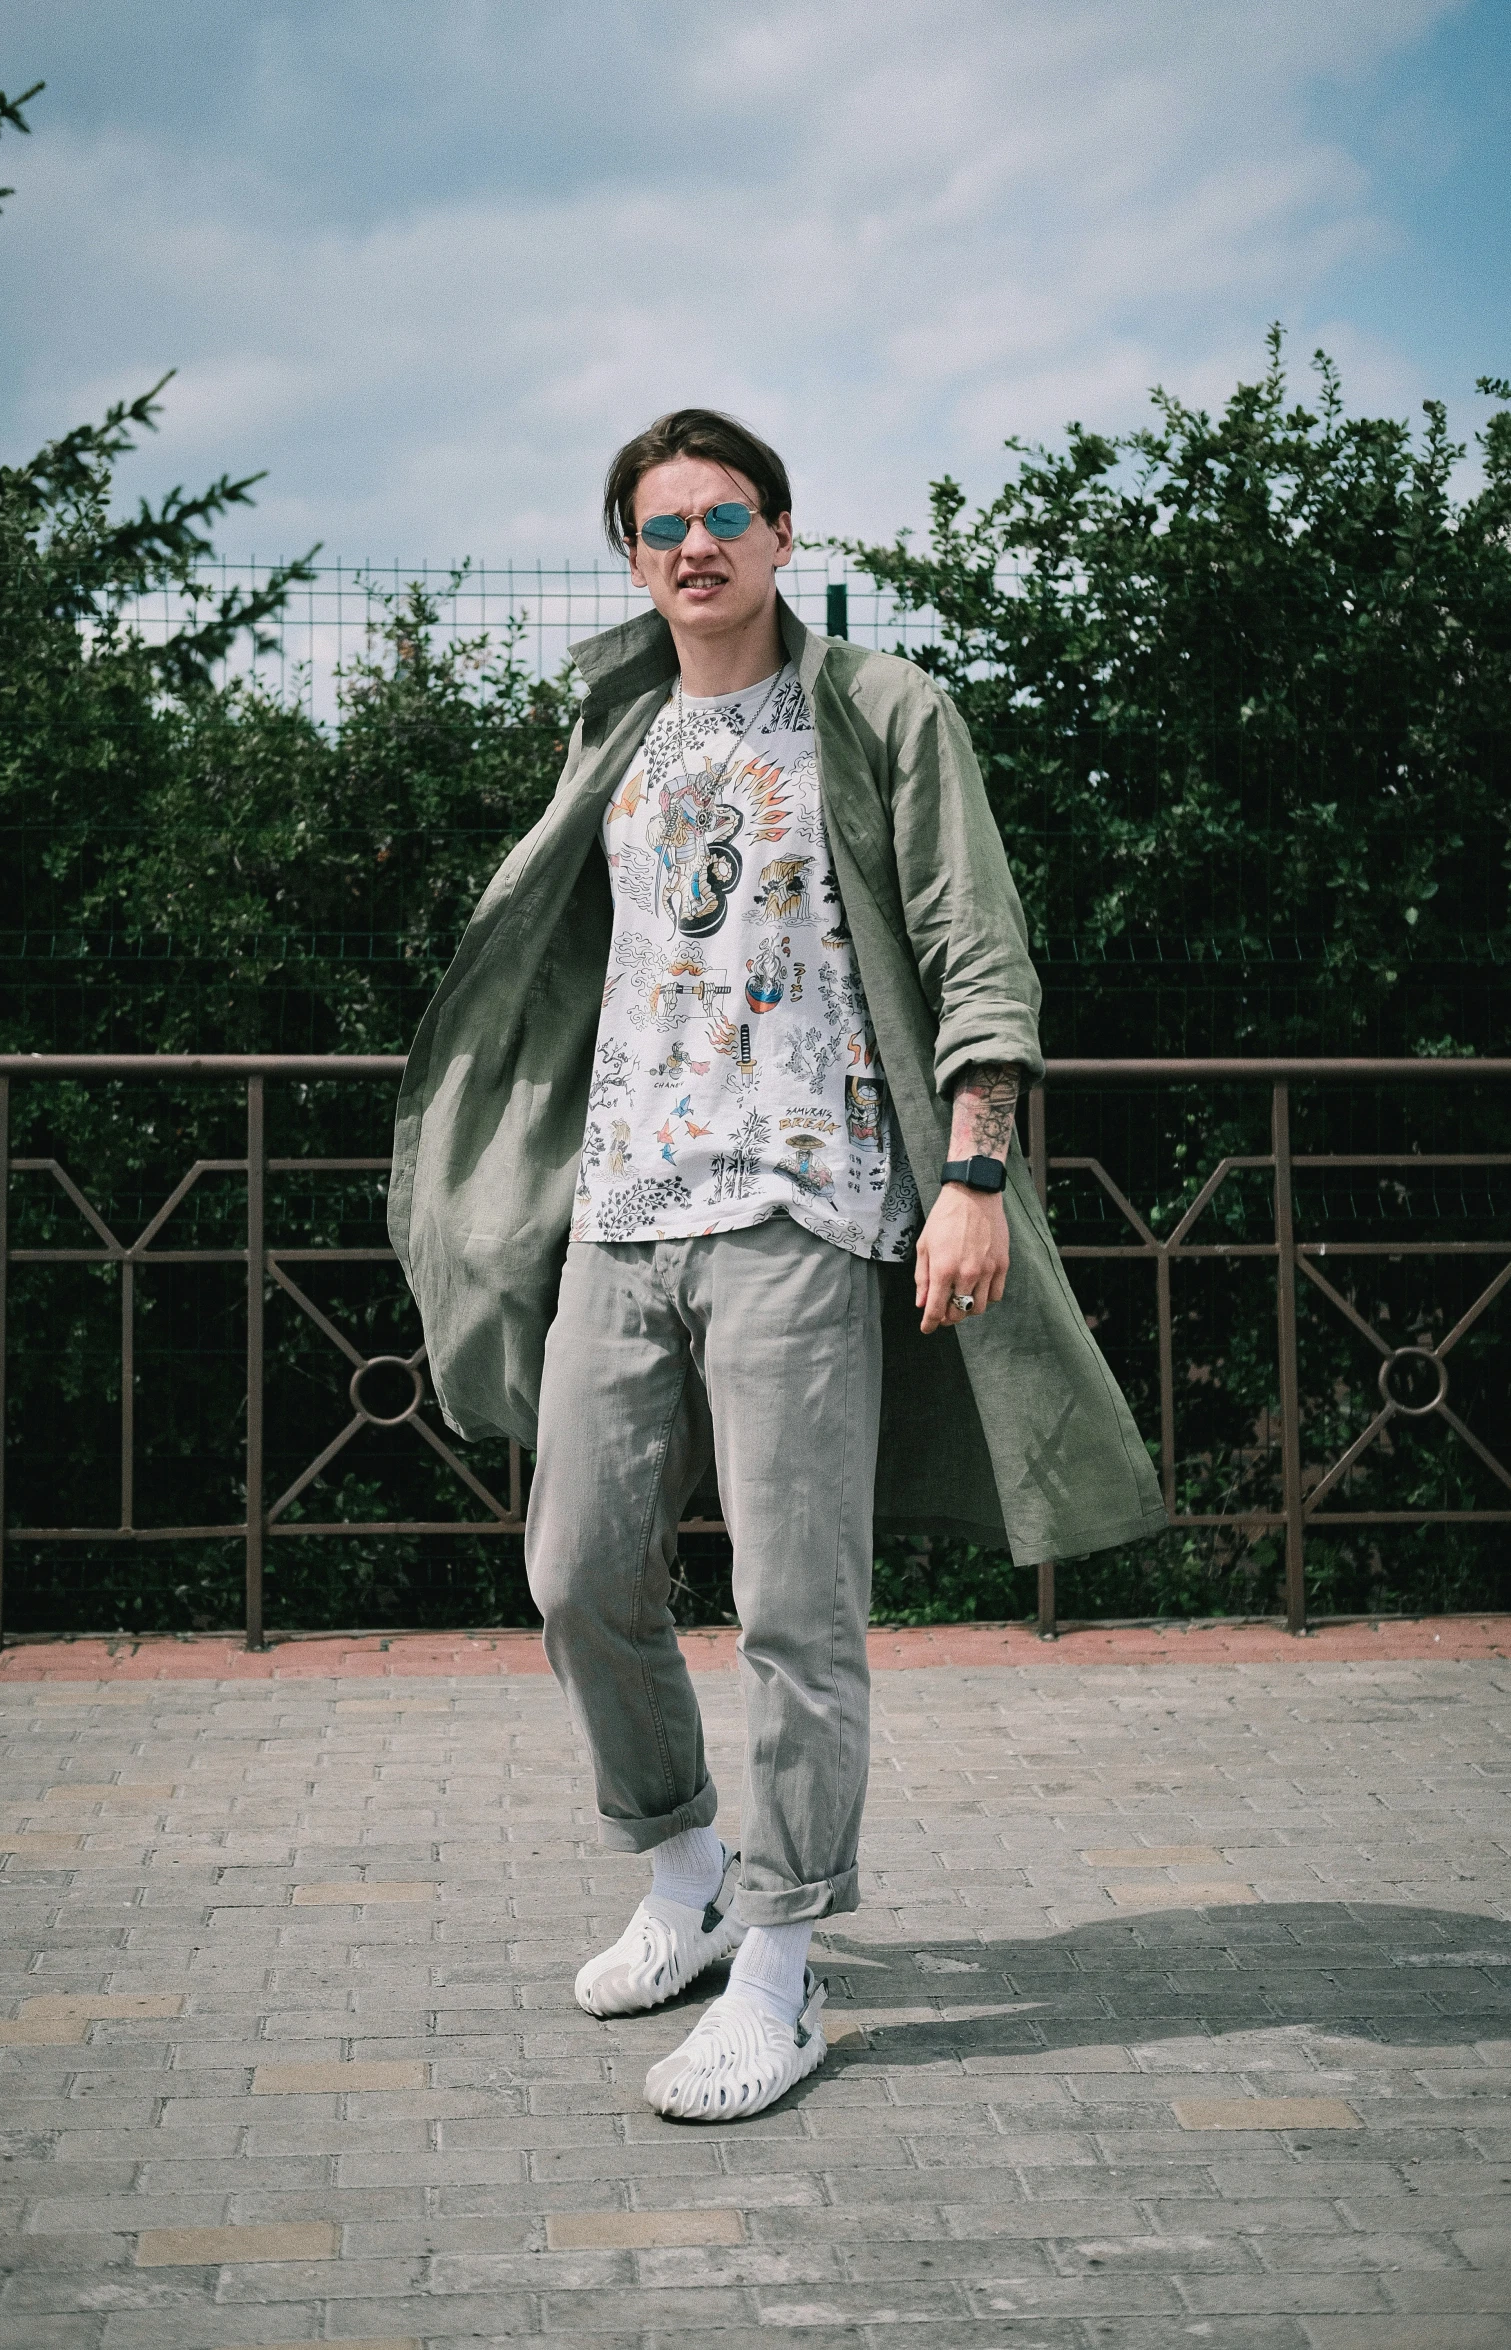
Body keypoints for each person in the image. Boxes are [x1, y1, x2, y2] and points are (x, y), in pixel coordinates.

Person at [389, 409, 1164, 2122]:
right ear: (636, 556)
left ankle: (785, 1963)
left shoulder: (885, 715)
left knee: (797, 1612)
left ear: (785, 534)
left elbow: (978, 956)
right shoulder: (619, 729)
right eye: (662, 524)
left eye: (725, 513)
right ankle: (683, 1866)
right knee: (578, 1568)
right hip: (623, 1207)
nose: (696, 545)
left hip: (806, 1210)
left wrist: (970, 1171)